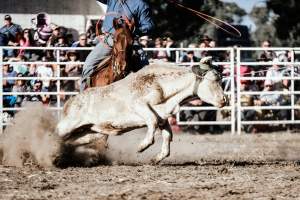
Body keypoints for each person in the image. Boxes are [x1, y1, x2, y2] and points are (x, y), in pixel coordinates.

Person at [81, 0, 154, 91]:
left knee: (145, 68)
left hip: (129, 40)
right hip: (110, 39)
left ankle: (147, 94)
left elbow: (149, 26)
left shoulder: (140, 4)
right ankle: (83, 93)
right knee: (88, 64)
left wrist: (134, 28)